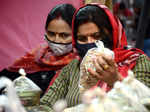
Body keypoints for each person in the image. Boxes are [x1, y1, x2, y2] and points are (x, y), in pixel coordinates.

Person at [34, 3, 150, 112]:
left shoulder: (136, 61)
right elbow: (46, 105)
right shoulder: (72, 69)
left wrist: (116, 80)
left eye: (97, 36)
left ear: (112, 33)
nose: (90, 44)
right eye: (82, 39)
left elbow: (145, 104)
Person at [0, 3, 78, 96]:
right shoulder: (34, 58)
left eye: (64, 35)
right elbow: (4, 78)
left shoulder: (82, 64)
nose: (56, 40)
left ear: (75, 34)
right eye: (51, 34)